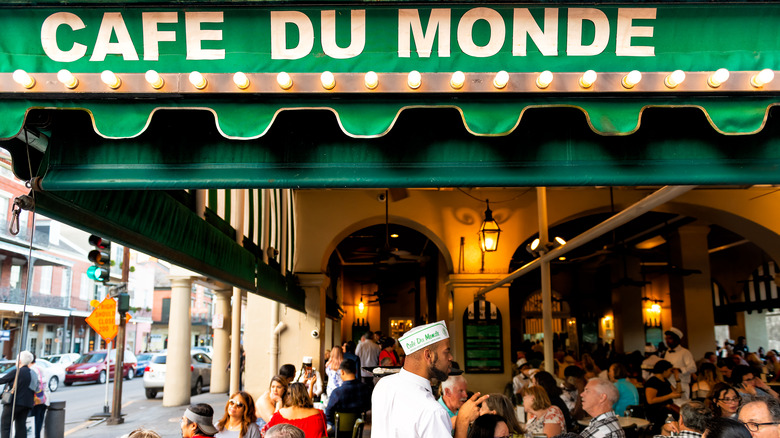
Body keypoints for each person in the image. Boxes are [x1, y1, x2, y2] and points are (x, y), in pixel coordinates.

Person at [371, 320, 486, 438]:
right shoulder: (433, 411)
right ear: (428, 355)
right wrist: (463, 421)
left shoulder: (384, 385)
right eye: (446, 352)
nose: (450, 357)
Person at [262, 382, 327, 438]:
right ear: (305, 395)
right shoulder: (319, 414)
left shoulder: (280, 414)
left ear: (289, 396)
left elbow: (265, 432)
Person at [325, 359, 371, 432]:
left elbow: (328, 413)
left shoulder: (337, 393)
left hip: (338, 431)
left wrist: (333, 424)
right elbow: (368, 406)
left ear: (342, 372)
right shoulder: (365, 389)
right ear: (356, 371)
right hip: (357, 430)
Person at [0, 350, 34, 438]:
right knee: (21, 426)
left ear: (19, 361)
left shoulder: (17, 371)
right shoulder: (33, 373)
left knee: (5, 426)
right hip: (27, 404)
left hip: (13, 403)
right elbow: (36, 388)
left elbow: (2, 380)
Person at [645, 360, 682, 431]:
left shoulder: (665, 380)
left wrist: (677, 379)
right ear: (664, 371)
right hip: (657, 410)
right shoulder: (653, 381)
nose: (671, 373)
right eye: (670, 371)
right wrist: (669, 396)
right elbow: (650, 400)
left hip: (667, 408)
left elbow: (677, 393)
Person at [662, 328, 697, 400]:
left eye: (670, 338)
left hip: (682, 384)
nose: (667, 341)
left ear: (676, 340)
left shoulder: (685, 352)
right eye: (666, 339)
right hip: (669, 384)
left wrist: (679, 370)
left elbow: (693, 368)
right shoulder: (667, 352)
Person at [29, 353, 48, 438]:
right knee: (39, 420)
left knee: (31, 421)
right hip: (42, 397)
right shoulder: (41, 369)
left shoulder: (30, 370)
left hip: (33, 399)